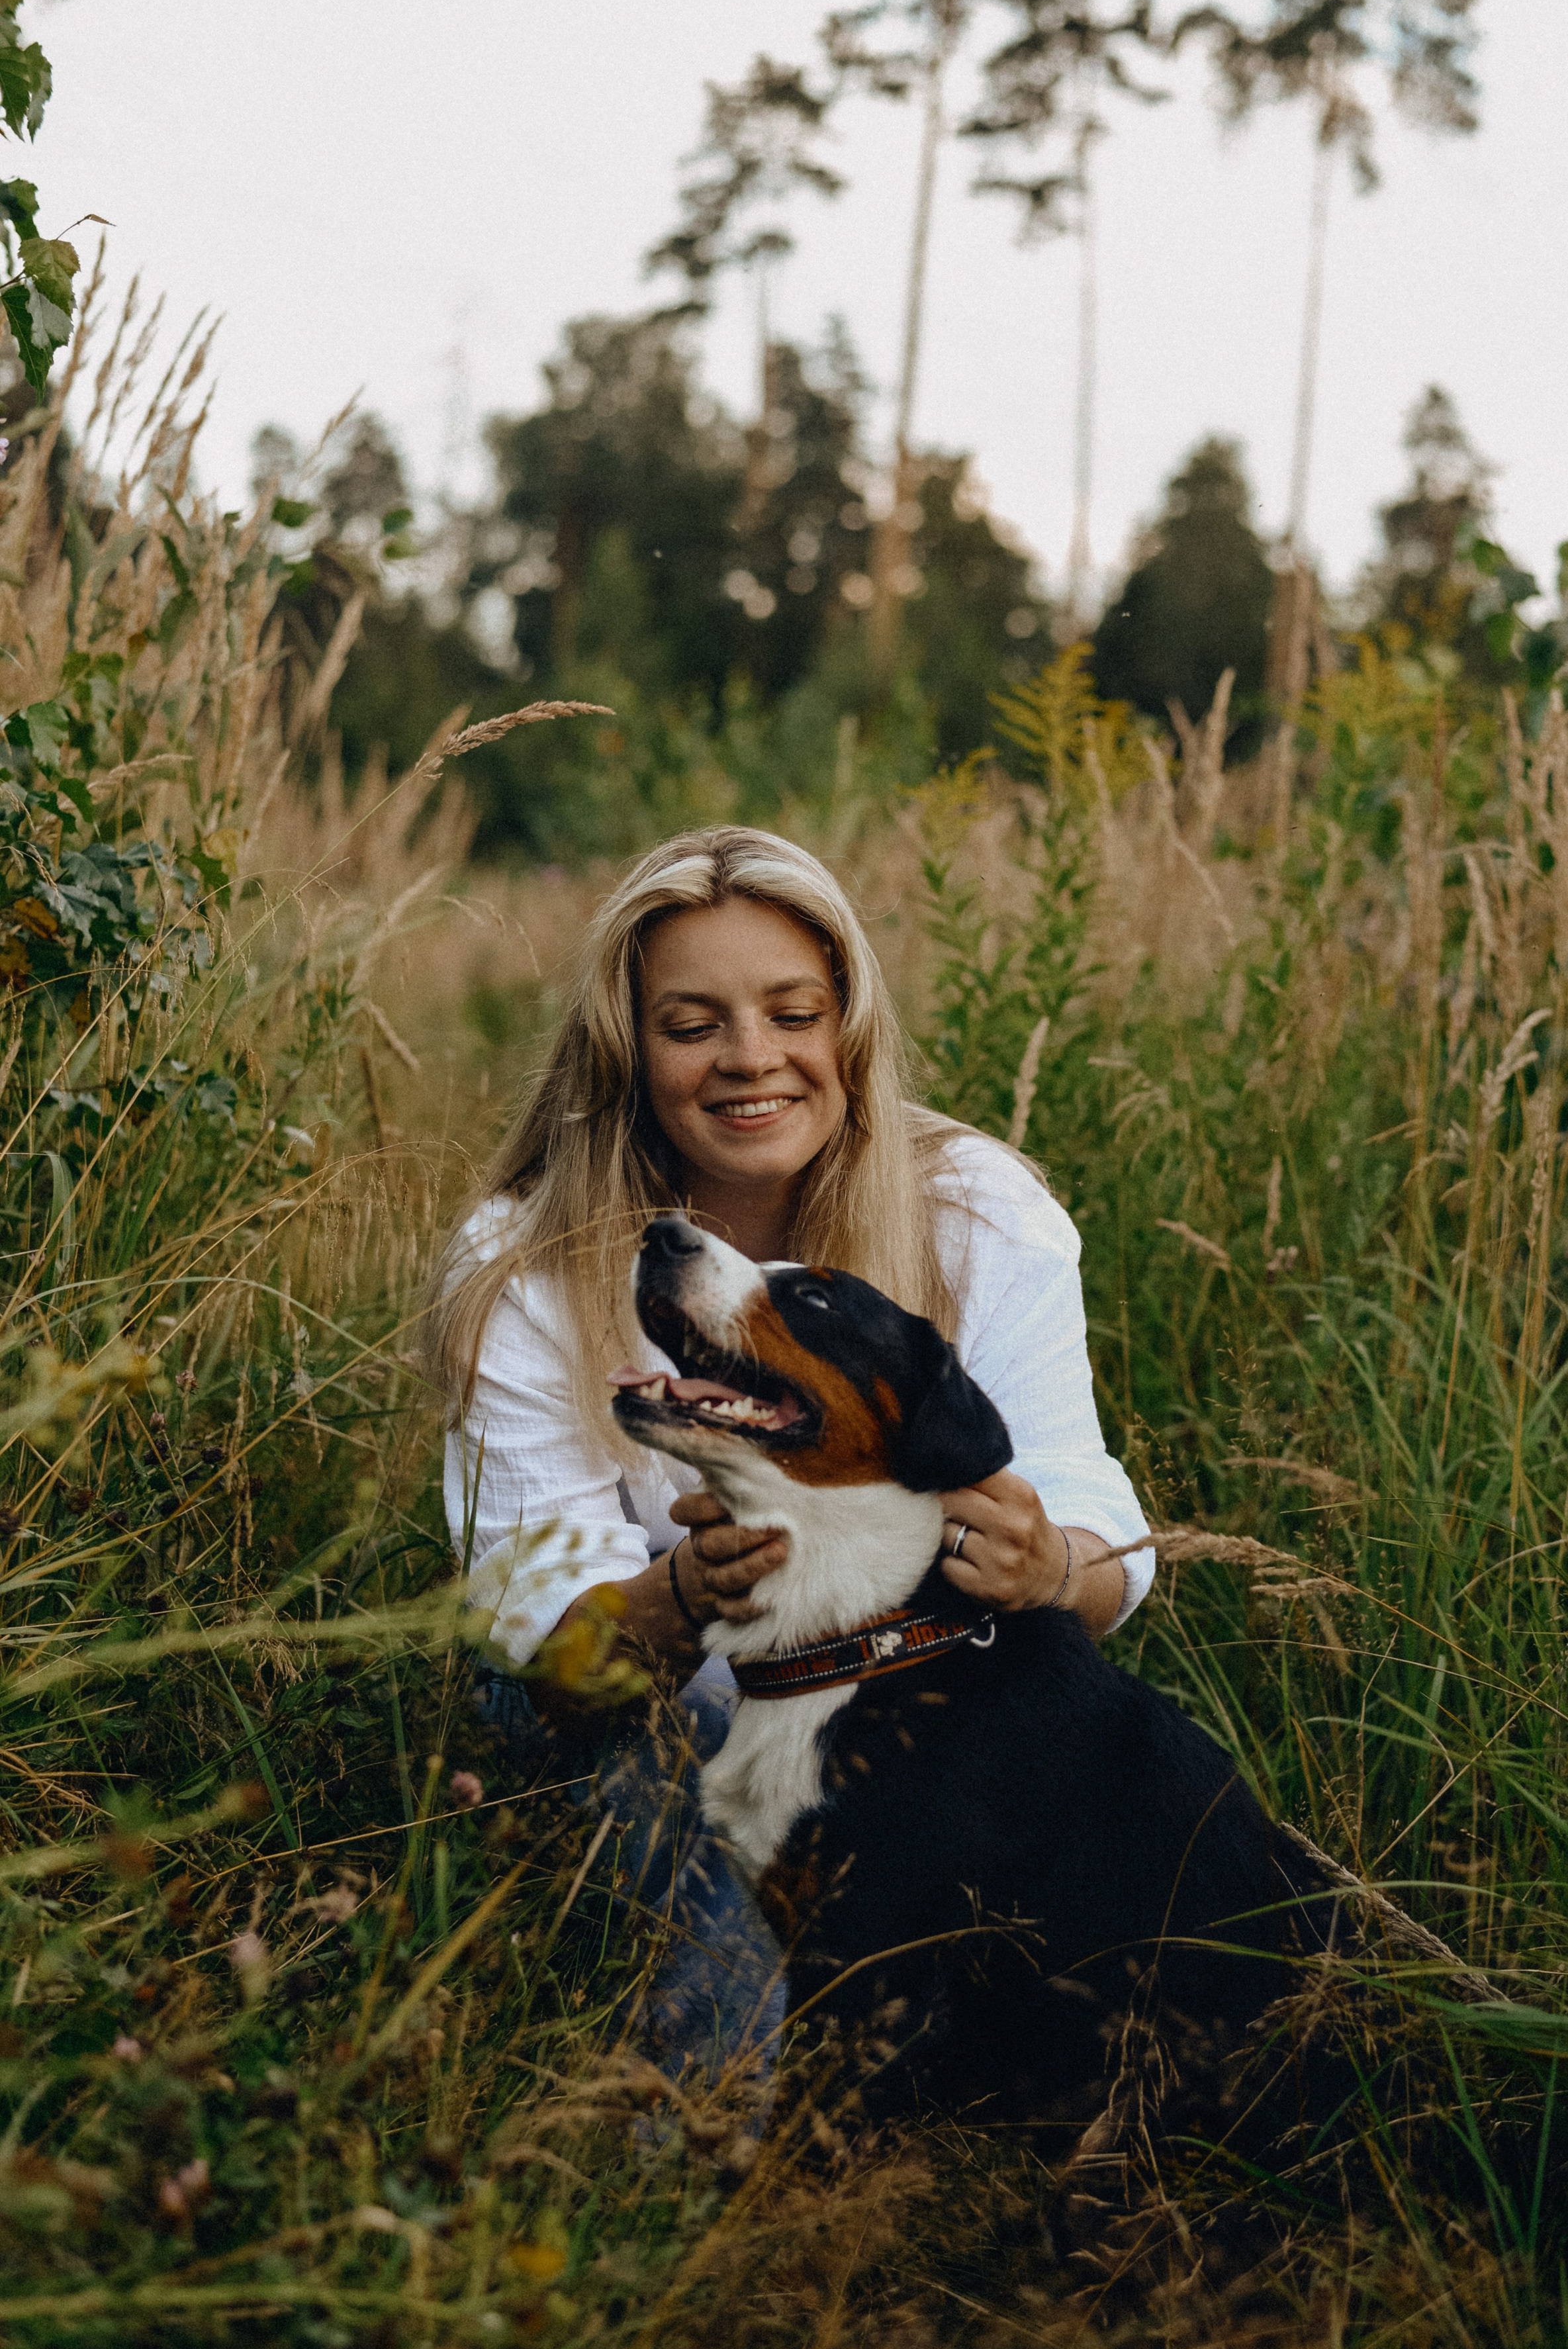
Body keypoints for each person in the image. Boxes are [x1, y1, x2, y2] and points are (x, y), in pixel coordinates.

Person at [425, 825, 1155, 2079]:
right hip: (640, 1703)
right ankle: (712, 2172)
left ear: (848, 1033)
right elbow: (538, 1650)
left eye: (792, 1013)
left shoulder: (978, 1211)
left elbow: (1100, 1525)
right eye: (692, 1023)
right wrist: (679, 1600)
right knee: (750, 1969)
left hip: (912, 1699)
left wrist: (1052, 1568)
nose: (751, 1058)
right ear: (627, 1049)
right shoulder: (525, 1264)